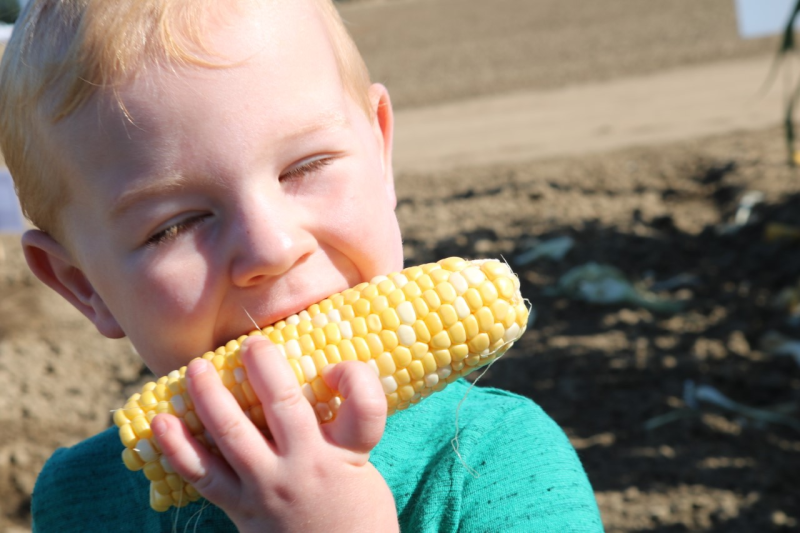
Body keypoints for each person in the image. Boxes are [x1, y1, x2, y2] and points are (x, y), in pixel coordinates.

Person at [0, 0, 604, 531]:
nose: (272, 248)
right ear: (83, 286)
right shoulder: (79, 497)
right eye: (174, 225)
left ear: (381, 152)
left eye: (305, 167)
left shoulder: (498, 460)